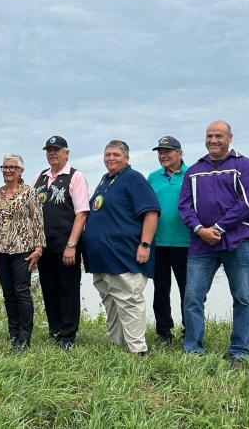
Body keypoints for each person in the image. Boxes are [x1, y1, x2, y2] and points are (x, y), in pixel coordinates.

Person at [179, 120, 249, 368]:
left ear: (230, 138)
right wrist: (200, 229)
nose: (213, 140)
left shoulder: (243, 165)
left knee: (242, 297)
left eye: (219, 136)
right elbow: (184, 205)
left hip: (237, 241)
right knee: (192, 297)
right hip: (201, 245)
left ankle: (239, 351)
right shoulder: (194, 170)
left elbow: (247, 203)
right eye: (209, 136)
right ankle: (193, 349)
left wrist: (219, 228)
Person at [83, 140, 160, 355]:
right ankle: (116, 343)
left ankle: (137, 349)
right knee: (110, 301)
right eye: (107, 154)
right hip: (103, 257)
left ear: (126, 158)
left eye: (116, 154)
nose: (111, 158)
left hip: (124, 254)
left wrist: (145, 245)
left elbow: (151, 212)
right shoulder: (105, 180)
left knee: (129, 300)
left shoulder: (133, 179)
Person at [33, 135, 89, 350]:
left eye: (56, 150)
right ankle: (55, 329)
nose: (52, 153)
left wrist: (72, 245)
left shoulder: (76, 177)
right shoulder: (40, 177)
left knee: (68, 288)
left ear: (66, 152)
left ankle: (68, 334)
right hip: (44, 243)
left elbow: (82, 213)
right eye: (48, 150)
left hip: (66, 241)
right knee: (49, 287)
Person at [0, 154, 45, 350]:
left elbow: (38, 221)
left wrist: (38, 248)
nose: (8, 170)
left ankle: (25, 337)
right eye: (4, 167)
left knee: (22, 292)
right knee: (8, 293)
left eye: (12, 167)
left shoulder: (30, 193)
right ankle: (14, 335)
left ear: (21, 171)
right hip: (1, 250)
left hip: (23, 249)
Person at [147, 135, 189, 345]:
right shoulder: (153, 177)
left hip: (187, 244)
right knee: (160, 290)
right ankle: (164, 333)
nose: (163, 155)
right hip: (159, 243)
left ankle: (189, 332)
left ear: (179, 153)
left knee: (188, 291)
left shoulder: (192, 174)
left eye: (168, 151)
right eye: (160, 152)